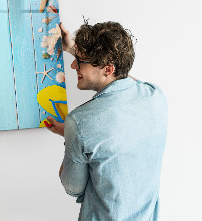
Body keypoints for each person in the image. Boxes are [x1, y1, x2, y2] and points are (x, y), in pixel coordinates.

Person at [47, 21, 167, 220]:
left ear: (108, 69)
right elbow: (125, 82)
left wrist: (71, 135)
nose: (73, 65)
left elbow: (72, 188)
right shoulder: (155, 96)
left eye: (80, 61)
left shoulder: (79, 122)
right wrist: (73, 50)